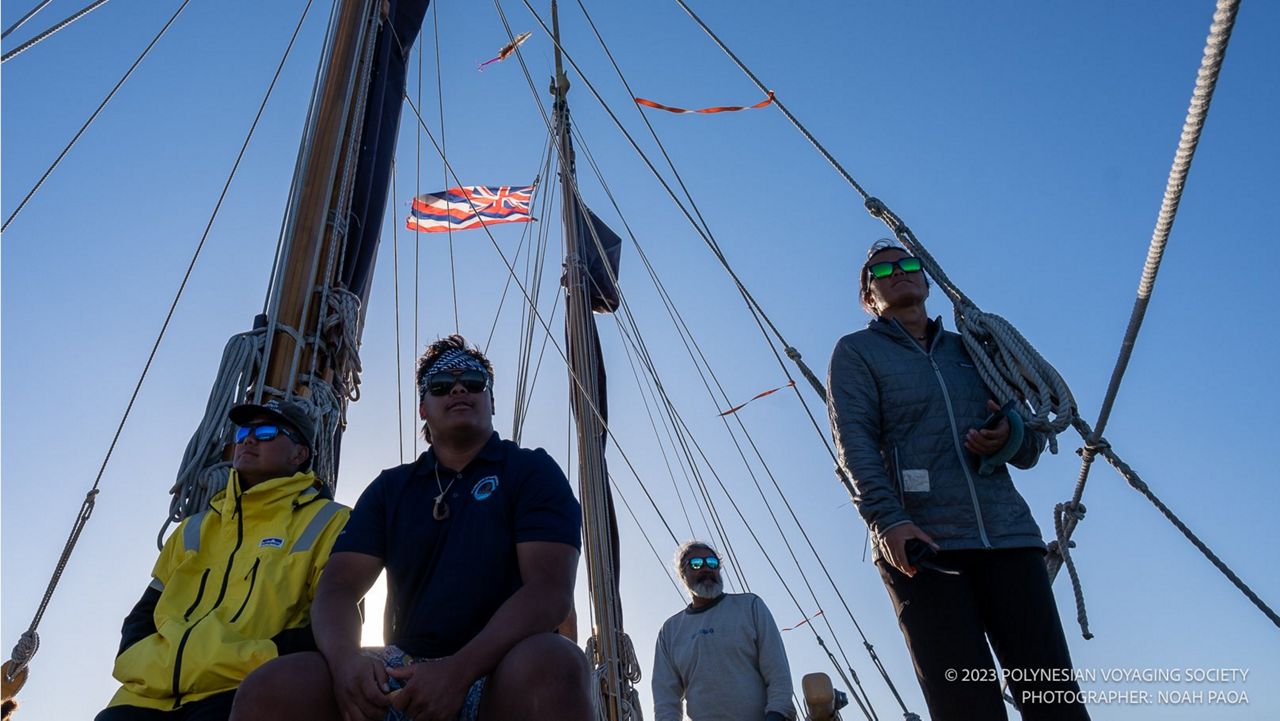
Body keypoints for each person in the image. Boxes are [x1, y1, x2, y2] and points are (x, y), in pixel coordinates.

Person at [230, 334, 591, 721]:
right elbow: (338, 588)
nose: (458, 389)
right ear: (422, 407)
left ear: (491, 401)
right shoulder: (391, 489)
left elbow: (549, 590)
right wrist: (346, 662)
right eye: (440, 385)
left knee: (556, 663)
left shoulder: (531, 471)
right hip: (404, 669)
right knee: (272, 687)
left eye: (473, 382)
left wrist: (457, 672)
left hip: (500, 668)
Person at [826, 240, 1090, 720]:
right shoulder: (856, 353)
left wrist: (1009, 435)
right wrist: (888, 521)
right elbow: (854, 445)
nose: (898, 271)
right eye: (881, 271)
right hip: (923, 549)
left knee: (1055, 703)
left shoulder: (975, 350)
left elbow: (1030, 449)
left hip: (1008, 539)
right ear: (868, 297)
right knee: (966, 709)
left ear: (927, 281)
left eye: (908, 263)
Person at [96, 398, 349, 721]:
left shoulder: (328, 521)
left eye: (267, 432)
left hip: (240, 691)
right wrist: (136, 655)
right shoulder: (195, 528)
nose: (249, 440)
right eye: (244, 432)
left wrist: (266, 658)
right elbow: (146, 610)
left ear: (299, 454)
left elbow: (336, 616)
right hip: (145, 694)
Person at [652, 540, 796, 721]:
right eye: (696, 564)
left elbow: (778, 673)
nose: (706, 568)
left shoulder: (750, 607)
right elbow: (665, 701)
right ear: (683, 574)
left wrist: (777, 714)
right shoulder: (670, 632)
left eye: (712, 563)